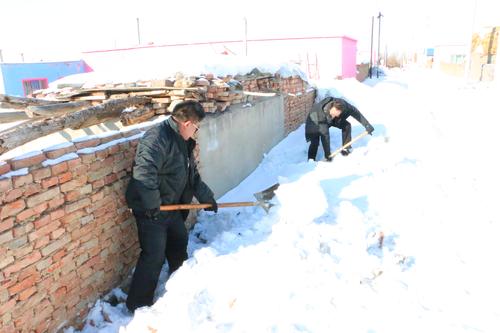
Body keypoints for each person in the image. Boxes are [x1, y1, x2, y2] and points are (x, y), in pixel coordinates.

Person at [125, 100, 218, 312]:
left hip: (170, 207)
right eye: (196, 126)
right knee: (154, 255)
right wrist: (151, 204)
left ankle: (181, 288)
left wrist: (207, 199)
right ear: (186, 123)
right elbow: (143, 173)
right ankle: (137, 304)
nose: (196, 131)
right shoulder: (157, 138)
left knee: (179, 242)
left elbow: (191, 177)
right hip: (150, 208)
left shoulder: (183, 142)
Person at [305, 97, 374, 161]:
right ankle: (311, 160)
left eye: (337, 114)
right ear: (331, 107)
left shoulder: (343, 105)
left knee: (346, 125)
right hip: (314, 122)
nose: (335, 115)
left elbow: (355, 112)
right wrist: (327, 154)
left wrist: (367, 125)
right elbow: (325, 135)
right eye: (334, 114)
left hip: (329, 119)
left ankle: (346, 148)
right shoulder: (320, 114)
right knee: (315, 141)